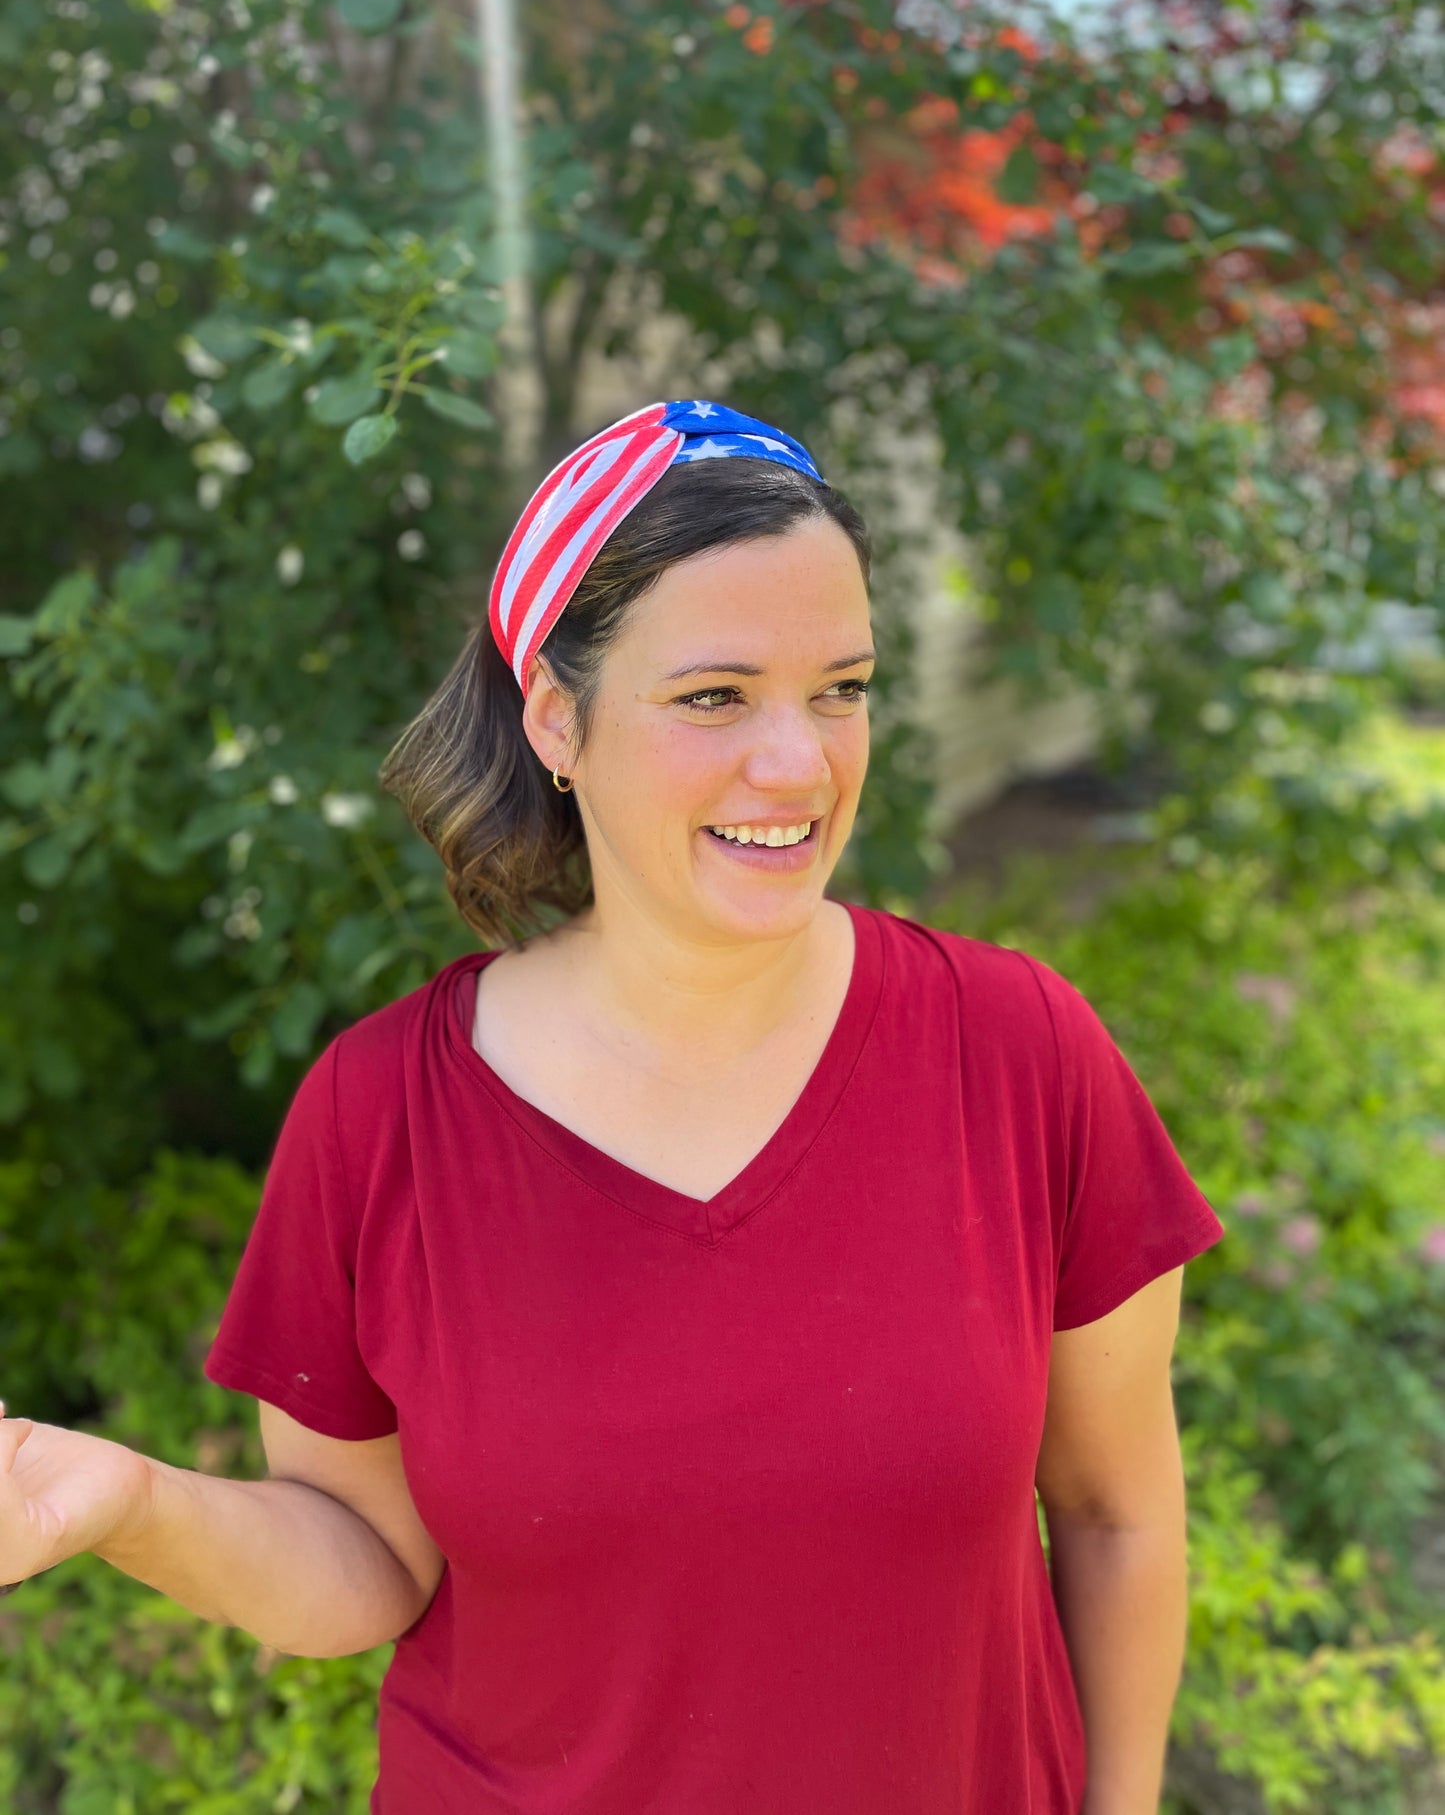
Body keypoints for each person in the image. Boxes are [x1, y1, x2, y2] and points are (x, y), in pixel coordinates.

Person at [0, 398, 1225, 1814]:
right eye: (713, 696)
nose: (799, 763)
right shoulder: (383, 1113)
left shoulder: (1015, 1054)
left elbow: (1116, 1514)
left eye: (840, 686)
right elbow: (364, 1562)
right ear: (556, 720)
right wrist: (128, 1505)